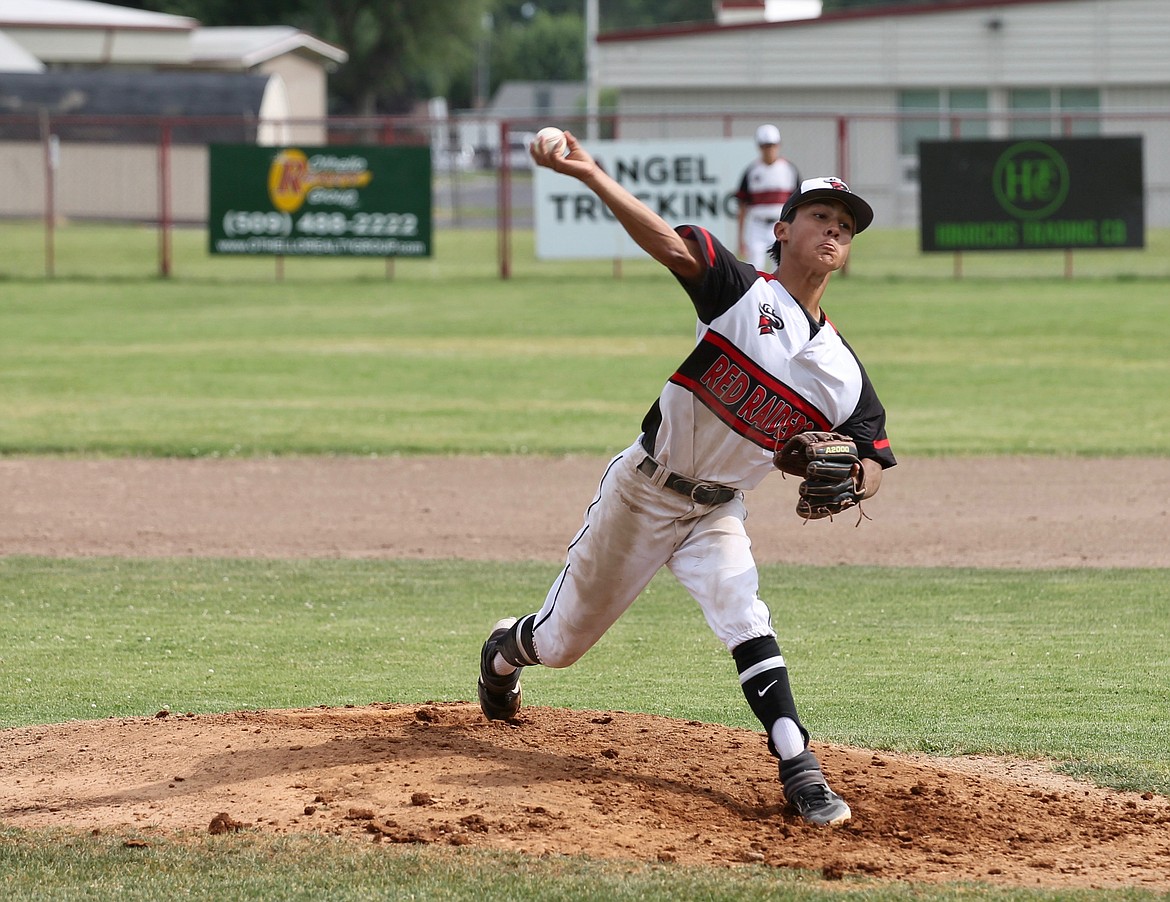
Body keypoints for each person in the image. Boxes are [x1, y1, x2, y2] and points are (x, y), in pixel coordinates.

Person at [478, 130, 896, 827]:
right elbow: (666, 242)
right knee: (561, 645)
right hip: (644, 491)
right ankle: (504, 649)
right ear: (783, 228)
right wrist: (589, 173)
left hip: (717, 512)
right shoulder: (740, 294)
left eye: (845, 226)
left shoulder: (843, 372)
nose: (834, 230)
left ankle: (800, 768)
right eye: (822, 216)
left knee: (744, 613)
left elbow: (875, 458)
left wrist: (852, 472)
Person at [735, 124, 801, 271]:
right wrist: (740, 239)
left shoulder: (789, 170)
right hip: (757, 225)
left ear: (778, 145)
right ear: (759, 147)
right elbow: (742, 207)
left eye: (772, 145)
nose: (769, 149)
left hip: (781, 225)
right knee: (754, 269)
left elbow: (798, 205)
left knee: (780, 269)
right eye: (765, 146)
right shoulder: (751, 171)